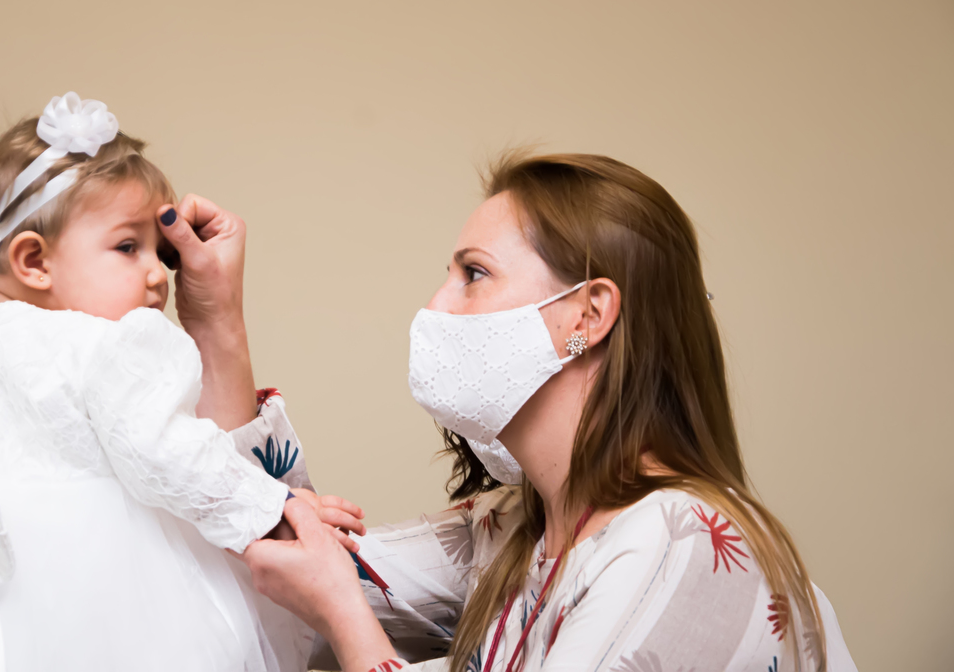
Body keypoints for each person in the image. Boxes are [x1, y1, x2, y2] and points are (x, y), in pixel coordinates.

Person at [0, 93, 360, 671]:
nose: (158, 274)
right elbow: (171, 453)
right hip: (82, 587)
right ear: (34, 261)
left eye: (161, 251)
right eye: (129, 247)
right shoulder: (107, 349)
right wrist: (272, 507)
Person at [234, 153, 858, 672]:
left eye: (473, 274)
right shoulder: (513, 528)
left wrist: (345, 616)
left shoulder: (682, 543)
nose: (435, 306)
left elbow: (334, 597)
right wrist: (215, 318)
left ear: (586, 316)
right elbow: (278, 570)